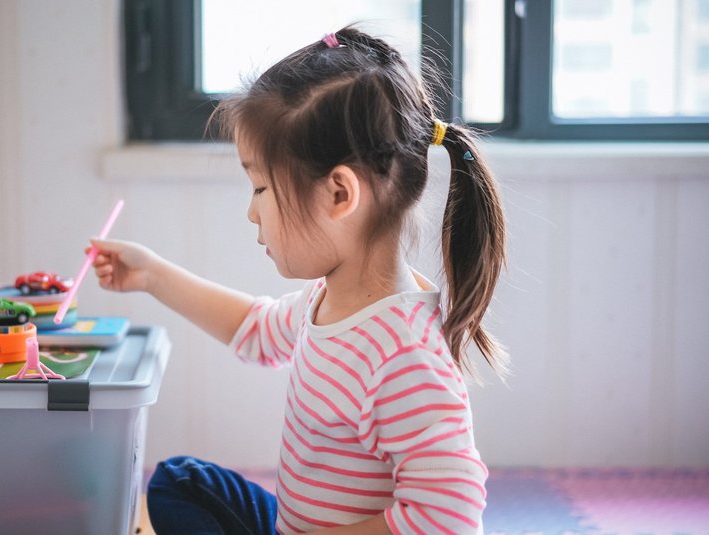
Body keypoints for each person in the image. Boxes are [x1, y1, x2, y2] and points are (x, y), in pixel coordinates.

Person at [90, 26, 507, 535]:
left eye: (261, 188)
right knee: (180, 482)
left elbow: (451, 516)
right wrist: (152, 274)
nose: (251, 212)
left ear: (338, 194)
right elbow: (257, 330)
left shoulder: (403, 356)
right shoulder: (332, 298)